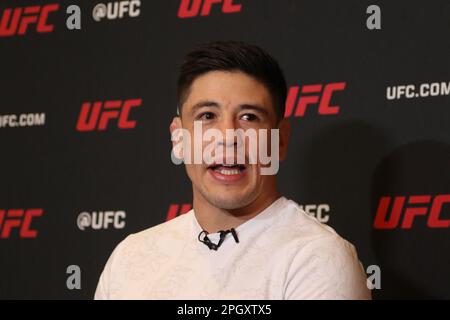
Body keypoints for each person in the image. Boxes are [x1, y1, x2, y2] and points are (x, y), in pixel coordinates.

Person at [94, 40, 371, 300]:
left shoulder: (317, 258)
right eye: (207, 116)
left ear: (281, 140)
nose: (228, 135)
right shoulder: (130, 257)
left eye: (249, 117)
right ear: (178, 139)